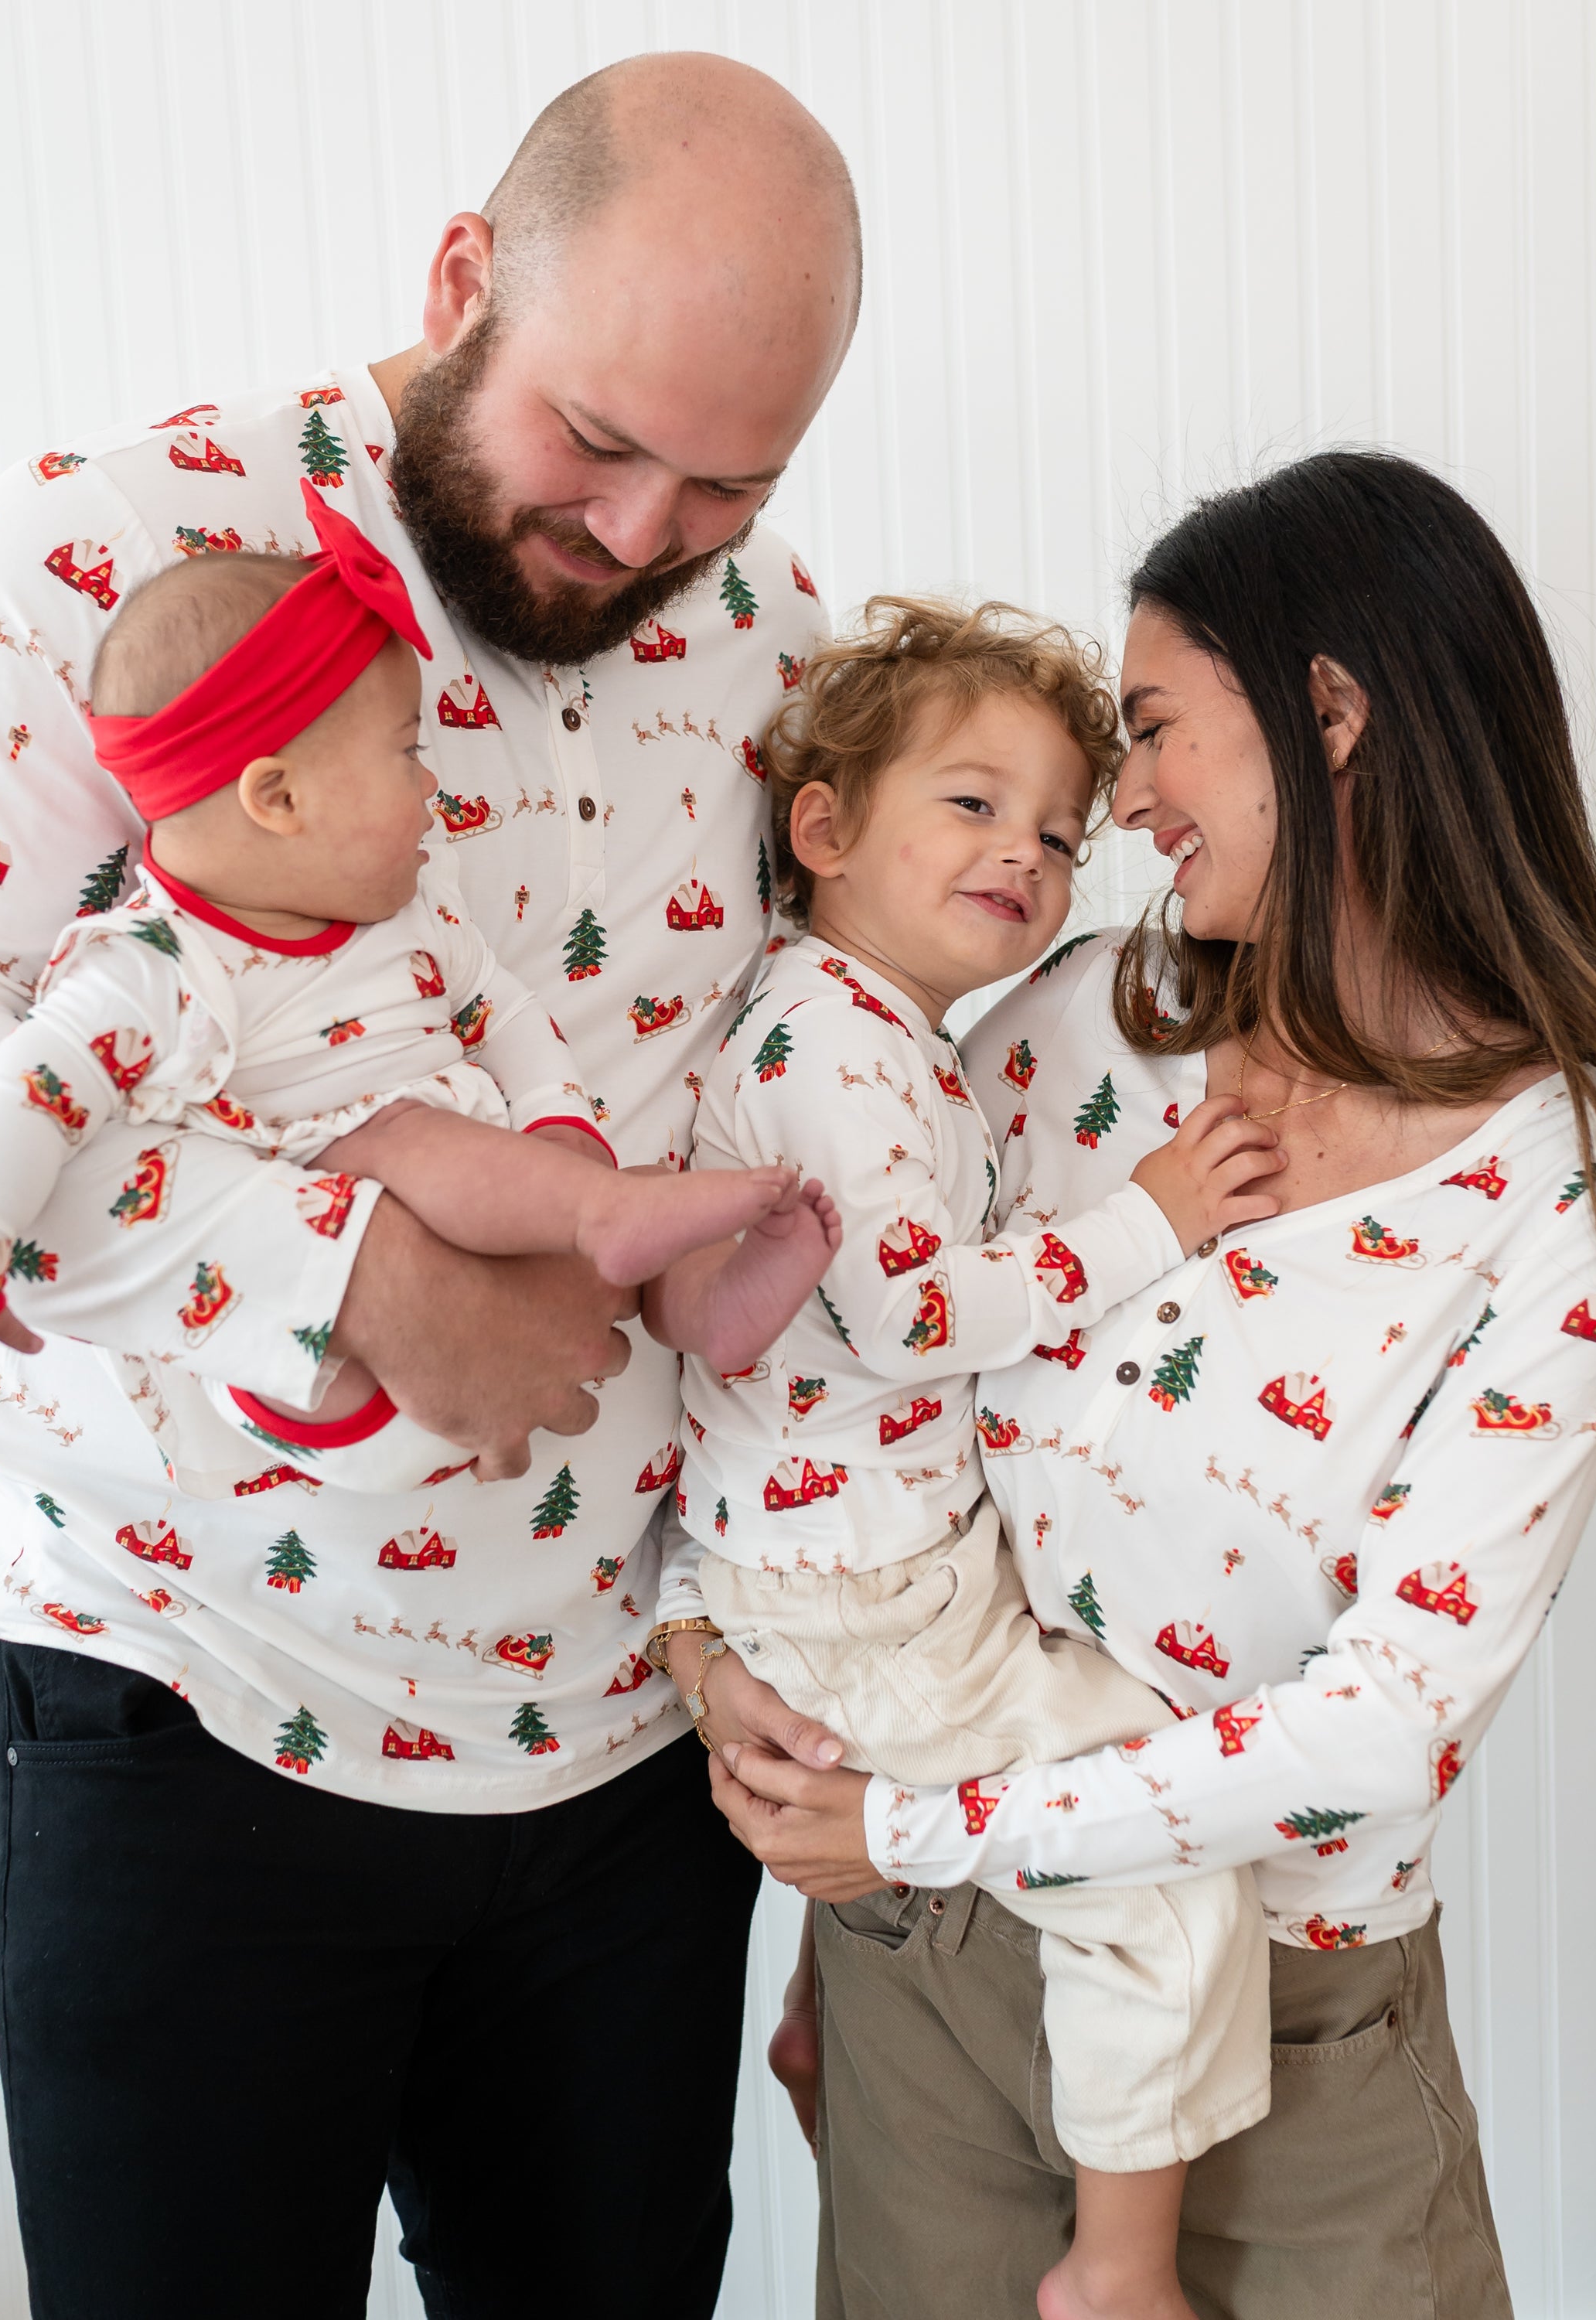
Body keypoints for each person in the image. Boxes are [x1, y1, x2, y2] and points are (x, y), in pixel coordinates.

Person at [0, 51, 865, 2320]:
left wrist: (803, 1654)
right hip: (189, 1724)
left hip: (630, 1764)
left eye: (721, 484)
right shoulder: (108, 545)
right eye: (598, 444)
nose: (641, 540)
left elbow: (818, 1157)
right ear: (461, 281)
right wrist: (342, 1276)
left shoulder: (775, 647)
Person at [707, 451, 1596, 2320]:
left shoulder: (1571, 1186)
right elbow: (857, 1420)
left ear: (1328, 711)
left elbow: (1387, 1718)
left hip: (1278, 2031)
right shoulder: (1075, 1021)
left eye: (1158, 730)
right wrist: (831, 1882)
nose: (1126, 800)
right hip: (922, 1966)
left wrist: (914, 1834)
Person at [662, 595, 1287, 2320]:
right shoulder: (836, 1043)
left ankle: (818, 2036)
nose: (1030, 852)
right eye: (975, 802)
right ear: (824, 825)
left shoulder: (882, 1038)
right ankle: (1120, 2267)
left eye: (1063, 830)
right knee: (1157, 1853)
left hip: (852, 1571)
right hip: (863, 1593)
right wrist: (1150, 1222)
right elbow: (912, 1314)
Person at [0, 483, 842, 1486]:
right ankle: (601, 1215)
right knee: (403, 1142)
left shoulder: (408, 912)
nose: (433, 784)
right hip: (322, 1382)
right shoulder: (152, 972)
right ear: (280, 796)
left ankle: (715, 1307)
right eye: (406, 752)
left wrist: (564, 1131)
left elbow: (504, 1013)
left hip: (503, 1271)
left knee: (626, 1225)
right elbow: (8, 1113)